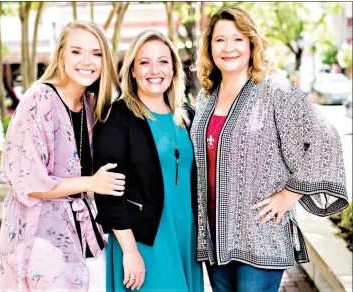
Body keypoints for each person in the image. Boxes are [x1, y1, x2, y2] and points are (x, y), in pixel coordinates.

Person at [191, 6, 348, 292]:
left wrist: (291, 193)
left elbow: (324, 138)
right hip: (215, 238)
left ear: (251, 44)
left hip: (260, 234)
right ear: (209, 46)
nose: (229, 48)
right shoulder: (206, 97)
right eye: (220, 40)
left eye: (238, 39)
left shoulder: (273, 89)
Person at [0, 20, 125, 292]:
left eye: (96, 54)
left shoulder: (89, 102)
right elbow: (28, 181)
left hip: (80, 232)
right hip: (38, 233)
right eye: (76, 51)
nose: (87, 61)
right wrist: (91, 183)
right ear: (61, 54)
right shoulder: (38, 99)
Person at [93, 30, 204, 291]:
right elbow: (109, 192)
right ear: (132, 70)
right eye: (145, 62)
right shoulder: (117, 117)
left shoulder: (187, 115)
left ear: (174, 69)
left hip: (185, 237)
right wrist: (130, 252)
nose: (155, 70)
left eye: (163, 61)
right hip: (143, 241)